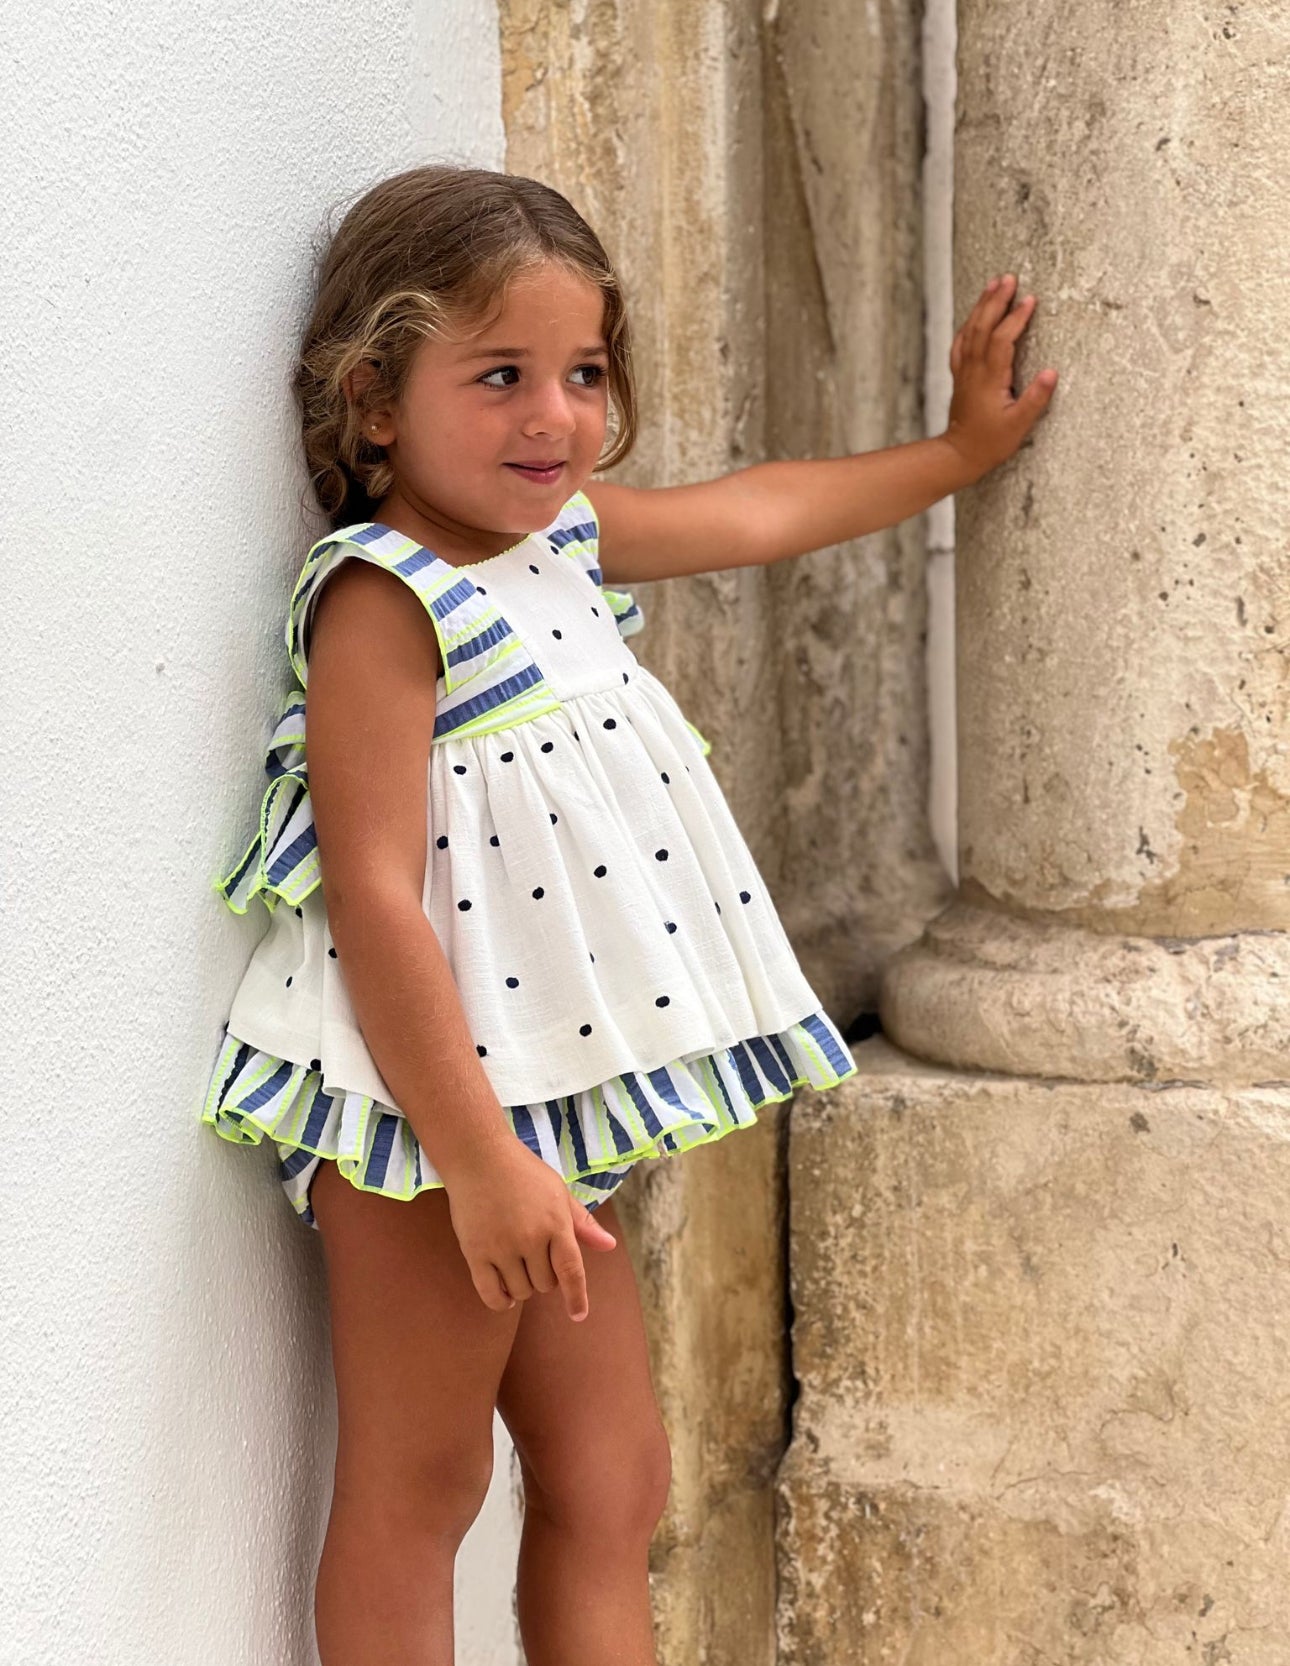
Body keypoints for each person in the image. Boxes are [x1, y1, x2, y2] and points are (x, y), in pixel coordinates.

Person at [199, 163, 1057, 1666]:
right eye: (501, 377)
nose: (554, 416)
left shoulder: (563, 543)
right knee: (424, 1481)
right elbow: (374, 894)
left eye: (584, 373)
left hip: (548, 1099)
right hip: (431, 1115)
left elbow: (758, 509)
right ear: (374, 401)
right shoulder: (385, 600)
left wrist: (953, 454)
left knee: (613, 1477)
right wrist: (479, 1163)